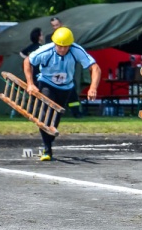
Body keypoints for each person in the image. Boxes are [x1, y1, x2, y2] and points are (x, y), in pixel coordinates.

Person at [23, 27, 101, 161]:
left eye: (66, 47)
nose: (63, 49)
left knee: (56, 116)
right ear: (55, 43)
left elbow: (95, 68)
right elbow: (27, 61)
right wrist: (30, 83)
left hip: (66, 87)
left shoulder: (76, 50)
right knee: (46, 112)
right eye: (60, 46)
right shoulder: (46, 50)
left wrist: (93, 87)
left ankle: (49, 140)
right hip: (46, 83)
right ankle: (47, 149)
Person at [46, 16, 83, 118]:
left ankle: (76, 113)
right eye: (53, 26)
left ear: (61, 24)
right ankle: (54, 113)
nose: (55, 27)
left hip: (67, 69)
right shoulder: (49, 38)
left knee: (72, 92)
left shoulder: (67, 35)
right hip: (54, 70)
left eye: (57, 25)